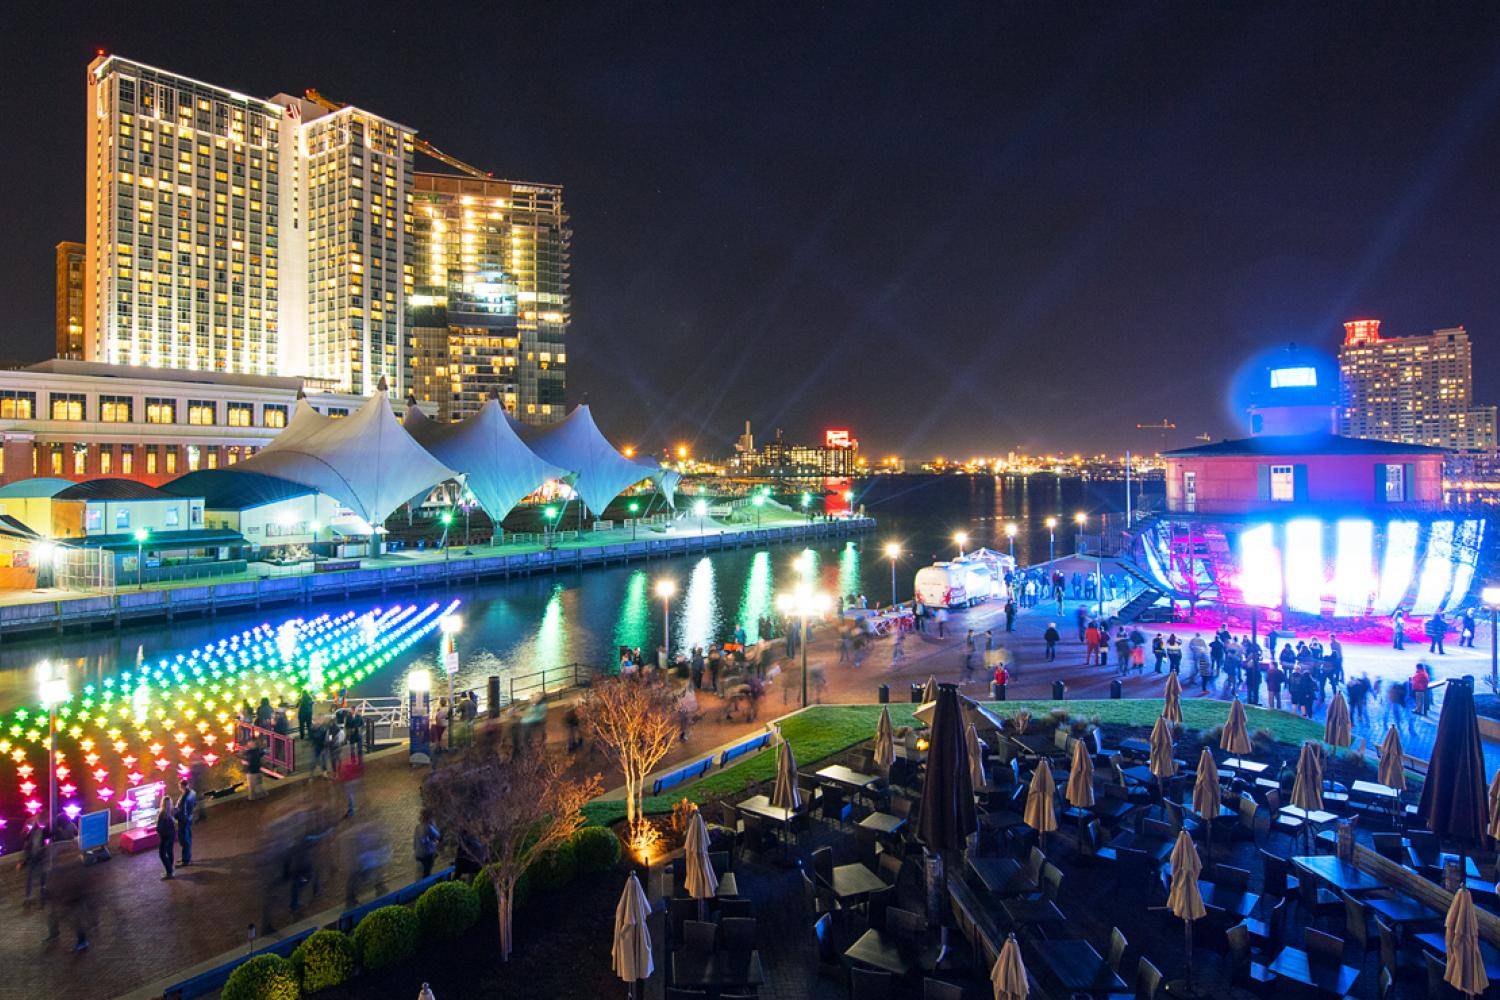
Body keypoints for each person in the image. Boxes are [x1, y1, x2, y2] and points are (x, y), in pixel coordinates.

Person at [22, 821, 48, 900]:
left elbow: (27, 847)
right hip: (39, 857)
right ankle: (42, 890)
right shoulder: (41, 832)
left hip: (34, 857)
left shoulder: (31, 834)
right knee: (41, 874)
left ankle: (28, 896)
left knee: (31, 877)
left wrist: (25, 860)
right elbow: (44, 843)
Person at [175, 777, 197, 866]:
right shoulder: (193, 792)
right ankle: (186, 857)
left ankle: (185, 860)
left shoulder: (184, 797)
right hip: (189, 818)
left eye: (180, 786)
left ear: (182, 786)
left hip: (183, 820)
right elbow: (194, 804)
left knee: (184, 840)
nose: (179, 788)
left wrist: (177, 817)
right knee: (187, 838)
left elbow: (182, 811)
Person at [413, 809, 440, 878]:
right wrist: (433, 824)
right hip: (427, 854)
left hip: (418, 854)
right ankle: (427, 884)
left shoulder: (417, 827)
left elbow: (415, 842)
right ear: (430, 817)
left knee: (421, 872)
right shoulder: (428, 827)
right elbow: (438, 835)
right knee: (427, 872)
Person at [156, 796, 177, 879]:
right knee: (170, 852)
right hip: (171, 835)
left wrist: (158, 831)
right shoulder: (171, 811)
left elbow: (159, 827)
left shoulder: (162, 813)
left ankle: (169, 872)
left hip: (165, 837)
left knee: (162, 854)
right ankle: (171, 870)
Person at [244, 736, 266, 800]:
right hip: (257, 771)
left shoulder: (251, 752)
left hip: (252, 772)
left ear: (253, 743)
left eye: (249, 742)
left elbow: (250, 761)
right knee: (259, 784)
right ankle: (264, 795)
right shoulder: (257, 751)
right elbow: (262, 753)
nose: (248, 743)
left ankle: (251, 798)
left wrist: (245, 762)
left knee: (251, 786)